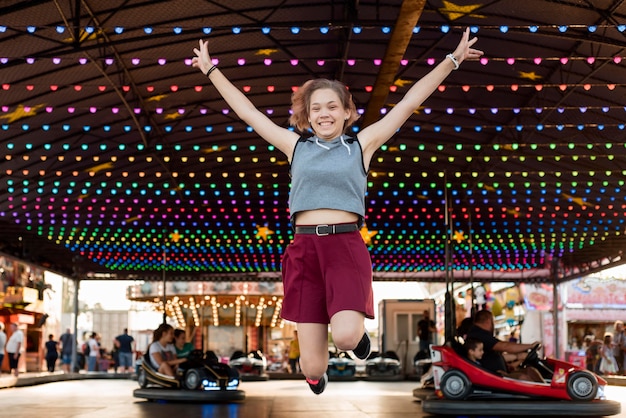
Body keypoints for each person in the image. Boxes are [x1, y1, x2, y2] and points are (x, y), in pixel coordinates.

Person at [192, 26, 483, 396]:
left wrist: (451, 61)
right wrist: (211, 70)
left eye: (332, 106)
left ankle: (357, 341)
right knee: (310, 367)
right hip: (303, 251)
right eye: (316, 108)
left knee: (345, 336)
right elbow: (248, 112)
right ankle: (318, 373)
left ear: (347, 112)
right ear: (307, 115)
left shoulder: (361, 145)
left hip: (344, 247)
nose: (324, 114)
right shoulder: (294, 146)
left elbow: (408, 102)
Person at [466, 310, 543, 381]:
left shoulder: (480, 334)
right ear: (488, 321)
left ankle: (546, 393)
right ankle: (543, 394)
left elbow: (494, 355)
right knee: (523, 378)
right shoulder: (479, 334)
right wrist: (530, 346)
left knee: (530, 370)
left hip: (500, 373)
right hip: (494, 376)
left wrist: (517, 357)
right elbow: (505, 347)